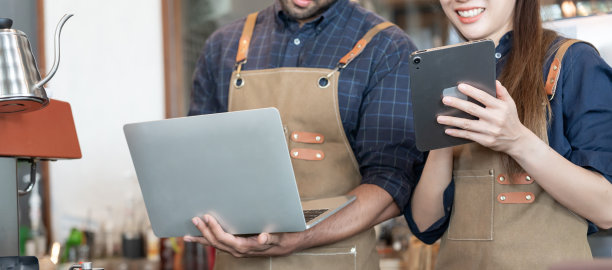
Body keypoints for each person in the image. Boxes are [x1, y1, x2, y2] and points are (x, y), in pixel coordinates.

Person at [184, 0, 424, 269]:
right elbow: (201, 165)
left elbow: (392, 182)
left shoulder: (387, 48)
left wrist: (302, 235)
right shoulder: (222, 46)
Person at [405, 0, 612, 269]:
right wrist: (442, 127)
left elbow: (607, 210)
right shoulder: (436, 73)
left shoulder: (572, 61)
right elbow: (425, 225)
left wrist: (517, 140)